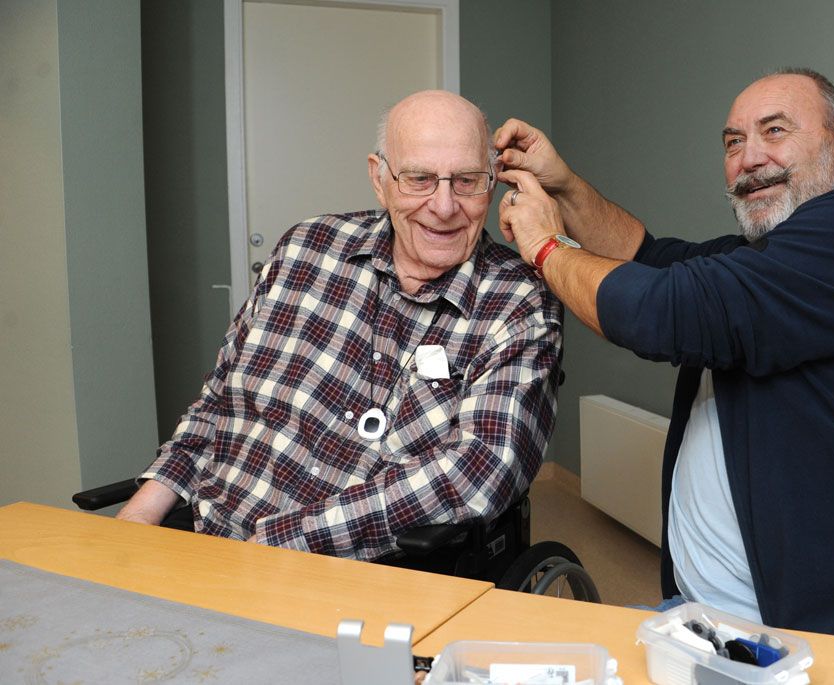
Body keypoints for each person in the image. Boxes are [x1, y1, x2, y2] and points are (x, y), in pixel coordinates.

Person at [493, 68, 834, 655]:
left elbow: (667, 310)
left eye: (774, 131)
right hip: (711, 631)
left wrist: (546, 245)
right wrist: (563, 185)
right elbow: (644, 255)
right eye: (733, 142)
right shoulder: (766, 261)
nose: (749, 157)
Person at [116, 91, 563, 562]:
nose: (445, 205)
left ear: (494, 184)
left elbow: (476, 472)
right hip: (209, 532)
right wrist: (140, 516)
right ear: (379, 178)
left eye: (468, 181)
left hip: (351, 572)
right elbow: (220, 400)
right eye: (418, 179)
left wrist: (270, 548)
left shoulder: (519, 302)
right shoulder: (305, 249)